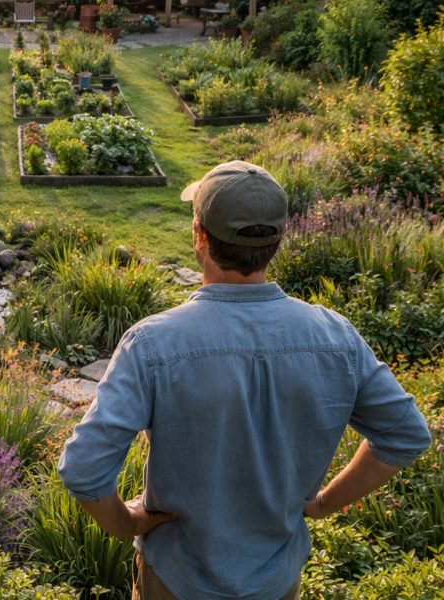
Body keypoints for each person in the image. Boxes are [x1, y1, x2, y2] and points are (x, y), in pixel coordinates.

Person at [57, 161, 432, 600]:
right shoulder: (336, 338)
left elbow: (84, 468)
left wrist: (127, 523)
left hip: (177, 580)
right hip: (276, 581)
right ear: (278, 239)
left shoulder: (153, 344)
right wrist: (324, 503)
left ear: (199, 234)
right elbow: (404, 435)